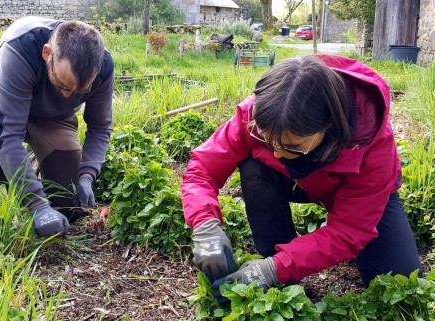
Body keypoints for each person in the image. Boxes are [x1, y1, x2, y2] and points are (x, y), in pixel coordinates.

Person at [181, 54, 422, 293]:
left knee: (399, 280)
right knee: (255, 165)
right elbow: (203, 168)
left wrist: (271, 271)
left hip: (354, 195)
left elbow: (349, 230)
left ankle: (279, 267)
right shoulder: (258, 114)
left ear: (329, 125)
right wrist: (205, 226)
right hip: (293, 180)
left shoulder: (371, 141)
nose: (277, 154)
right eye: (268, 141)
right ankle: (276, 258)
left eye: (292, 146)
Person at [0, 16, 114, 237]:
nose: (66, 94)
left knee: (67, 206)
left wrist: (87, 175)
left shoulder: (103, 66)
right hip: (5, 109)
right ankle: (20, 188)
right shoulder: (19, 45)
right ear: (47, 53)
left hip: (54, 120)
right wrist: (37, 204)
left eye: (77, 92)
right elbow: (8, 133)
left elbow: (100, 127)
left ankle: (36, 165)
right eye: (61, 84)